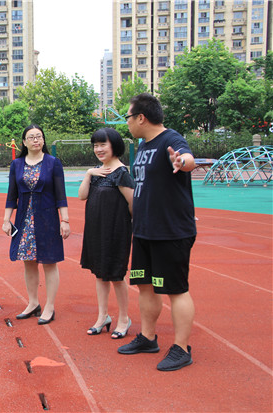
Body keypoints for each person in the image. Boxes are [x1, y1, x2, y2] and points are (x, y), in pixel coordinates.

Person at [117, 93, 197, 371]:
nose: (127, 122)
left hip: (170, 231)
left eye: (128, 117)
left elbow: (187, 158)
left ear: (141, 117)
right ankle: (148, 338)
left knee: (176, 290)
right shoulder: (142, 146)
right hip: (144, 230)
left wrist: (182, 162)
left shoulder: (170, 139)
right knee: (145, 286)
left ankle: (182, 348)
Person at [2, 124, 71, 325]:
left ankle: (49, 306)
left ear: (43, 140)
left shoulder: (53, 163)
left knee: (49, 262)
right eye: (31, 137)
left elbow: (61, 195)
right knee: (28, 261)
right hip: (24, 220)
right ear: (24, 142)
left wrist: (65, 220)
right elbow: (11, 195)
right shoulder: (16, 164)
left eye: (39, 136)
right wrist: (6, 220)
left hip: (48, 219)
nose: (35, 140)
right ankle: (33, 303)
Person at [79, 128, 134, 339]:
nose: (98, 149)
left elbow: (132, 204)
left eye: (103, 144)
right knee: (100, 273)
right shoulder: (95, 171)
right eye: (96, 145)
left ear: (115, 146)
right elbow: (82, 196)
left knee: (116, 275)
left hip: (115, 231)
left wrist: (125, 228)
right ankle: (103, 317)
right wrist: (88, 174)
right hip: (96, 230)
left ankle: (124, 319)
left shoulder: (121, 173)